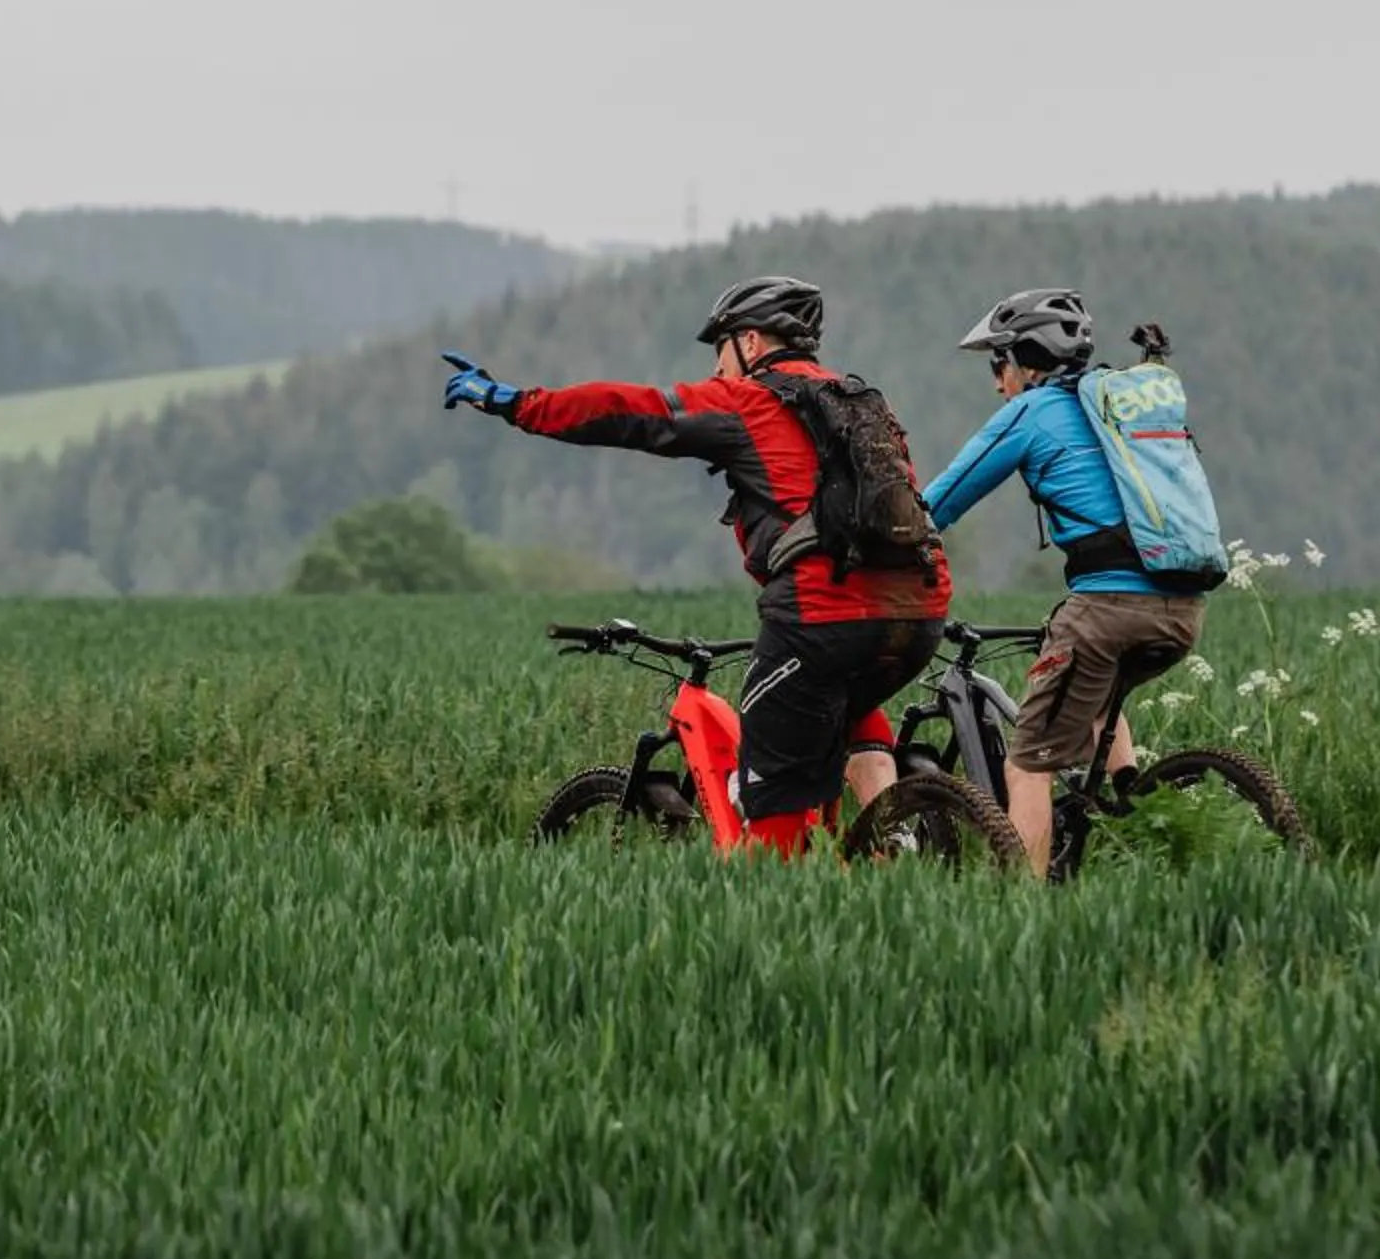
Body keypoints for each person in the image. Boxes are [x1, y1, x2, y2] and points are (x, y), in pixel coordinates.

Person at [440, 274, 952, 857]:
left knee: (770, 800)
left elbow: (631, 411)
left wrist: (515, 403)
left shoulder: (746, 401)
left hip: (819, 614)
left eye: (721, 349)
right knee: (850, 702)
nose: (716, 368)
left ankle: (782, 907)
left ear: (752, 343)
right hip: (920, 613)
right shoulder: (861, 403)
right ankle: (891, 839)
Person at [919, 287, 1205, 875]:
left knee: (1028, 767)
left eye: (998, 365)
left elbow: (938, 503)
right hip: (1184, 606)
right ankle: (1135, 803)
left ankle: (1024, 914)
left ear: (1026, 361)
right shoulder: (1116, 407)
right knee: (1093, 685)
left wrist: (885, 541)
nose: (998, 383)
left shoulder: (1032, 411)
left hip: (1108, 607)